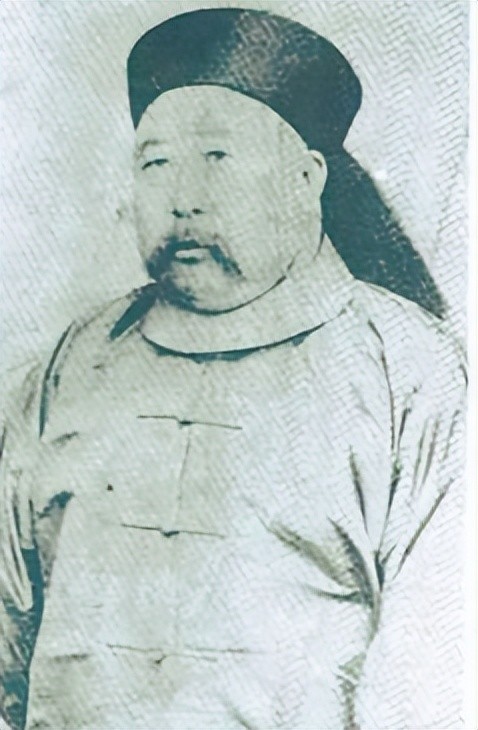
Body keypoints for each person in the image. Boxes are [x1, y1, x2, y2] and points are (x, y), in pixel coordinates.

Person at [0, 8, 466, 730]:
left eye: (216, 158)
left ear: (306, 179)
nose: (183, 198)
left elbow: (436, 676)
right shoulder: (73, 362)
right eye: (155, 164)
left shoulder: (412, 373)